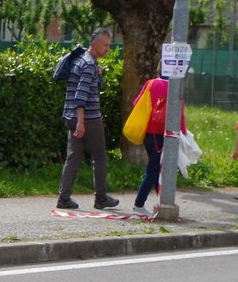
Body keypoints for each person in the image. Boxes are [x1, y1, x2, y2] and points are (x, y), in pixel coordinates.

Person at [55, 28, 117, 211]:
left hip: (71, 116)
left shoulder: (81, 60)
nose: (108, 49)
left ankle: (64, 198)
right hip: (88, 117)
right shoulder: (89, 64)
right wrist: (81, 122)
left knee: (73, 157)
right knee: (99, 157)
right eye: (105, 45)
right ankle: (101, 198)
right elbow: (81, 94)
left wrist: (98, 76)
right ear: (95, 43)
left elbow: (79, 88)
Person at [129, 74, 187, 215]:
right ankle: (139, 204)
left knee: (156, 168)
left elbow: (137, 103)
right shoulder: (176, 88)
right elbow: (180, 114)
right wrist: (184, 133)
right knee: (155, 169)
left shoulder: (150, 83)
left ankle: (161, 202)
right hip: (164, 134)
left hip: (148, 132)